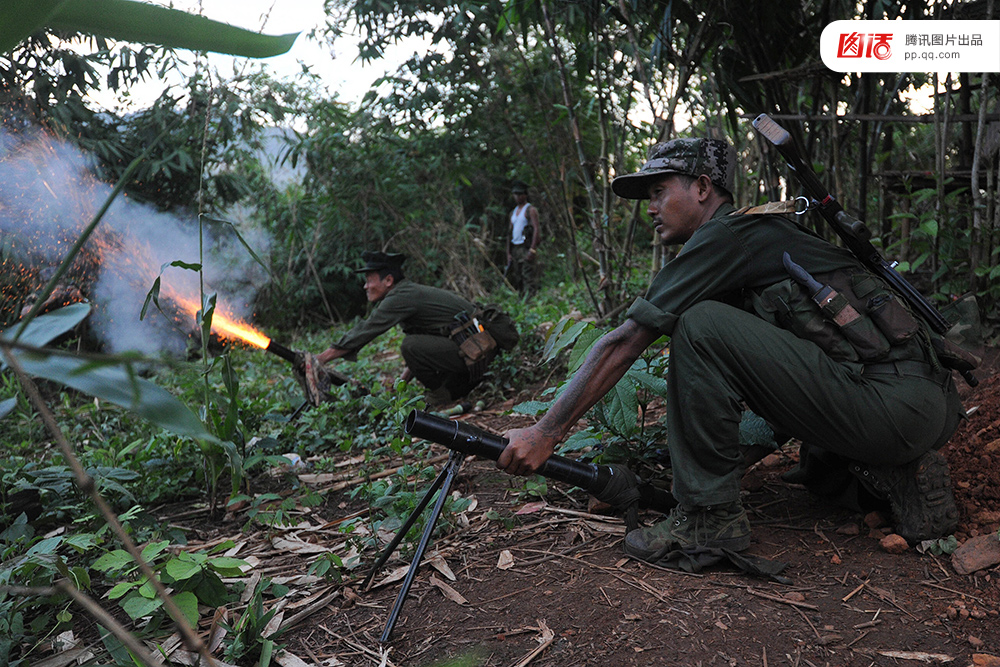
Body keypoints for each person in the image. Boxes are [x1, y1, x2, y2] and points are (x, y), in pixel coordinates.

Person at [497, 137, 964, 563]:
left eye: (659, 191)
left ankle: (708, 520)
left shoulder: (727, 236)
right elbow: (780, 373)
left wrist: (547, 431)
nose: (651, 208)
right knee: (818, 477)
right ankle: (891, 480)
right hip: (928, 406)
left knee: (699, 326)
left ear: (702, 187)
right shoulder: (756, 235)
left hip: (890, 405)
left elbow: (626, 339)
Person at [317, 251, 491, 404]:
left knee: (410, 345)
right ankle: (450, 389)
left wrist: (322, 358)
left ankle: (439, 396)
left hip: (479, 351)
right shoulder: (406, 292)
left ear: (388, 280)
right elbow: (424, 343)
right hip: (477, 350)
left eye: (369, 280)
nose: (365, 286)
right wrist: (400, 384)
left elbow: (368, 328)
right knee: (419, 350)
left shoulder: (400, 297)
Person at [506, 181, 541, 297]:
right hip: (515, 247)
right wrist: (508, 253)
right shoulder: (513, 213)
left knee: (529, 275)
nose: (517, 197)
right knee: (518, 276)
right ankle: (521, 299)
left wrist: (532, 249)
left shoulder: (530, 210)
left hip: (525, 246)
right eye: (515, 194)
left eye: (520, 194)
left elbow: (536, 229)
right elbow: (509, 233)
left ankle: (531, 300)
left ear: (525, 195)